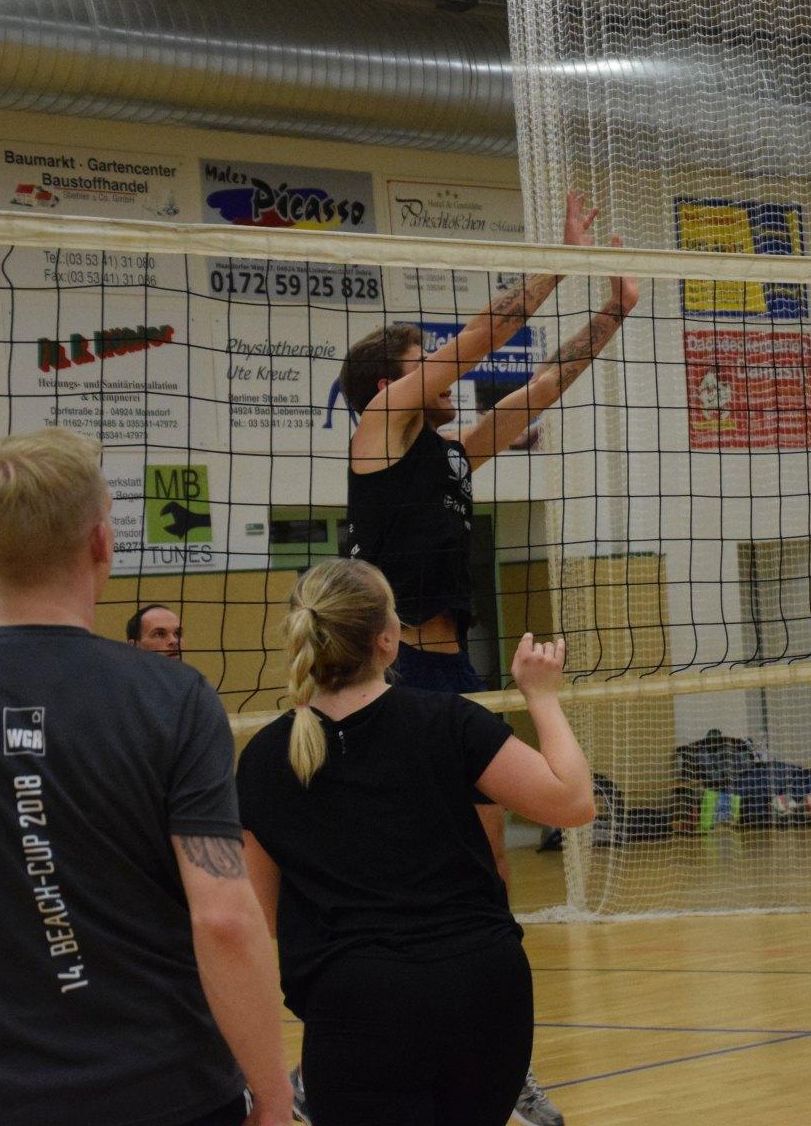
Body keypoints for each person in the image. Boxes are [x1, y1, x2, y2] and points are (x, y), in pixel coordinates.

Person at [337, 194, 635, 1126]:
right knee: (397, 889)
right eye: (420, 360)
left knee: (489, 884)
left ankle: (503, 1070)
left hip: (453, 681)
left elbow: (541, 388)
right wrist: (557, 262)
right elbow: (481, 337)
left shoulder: (454, 455)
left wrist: (613, 311)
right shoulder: (378, 433)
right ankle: (345, 1063)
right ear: (388, 384)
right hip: (383, 690)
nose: (440, 367)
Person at [0, 427, 291, 1125]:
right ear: (99, 541)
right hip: (167, 1095)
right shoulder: (173, 697)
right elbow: (224, 918)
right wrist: (271, 1091)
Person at [237, 559, 594, 1126]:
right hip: (483, 991)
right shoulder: (450, 721)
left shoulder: (262, 758)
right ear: (387, 640)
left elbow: (264, 916)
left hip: (357, 1004)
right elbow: (573, 802)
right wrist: (543, 696)